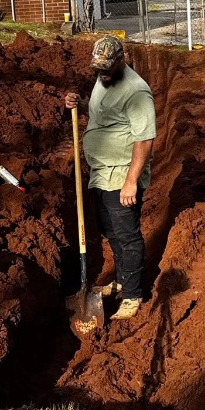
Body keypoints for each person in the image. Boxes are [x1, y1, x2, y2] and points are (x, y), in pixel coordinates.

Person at [64, 35, 155, 321]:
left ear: (121, 60)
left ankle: (133, 294)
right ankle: (122, 280)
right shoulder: (103, 79)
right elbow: (103, 113)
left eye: (106, 68)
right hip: (101, 174)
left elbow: (144, 139)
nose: (101, 72)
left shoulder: (136, 92)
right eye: (97, 68)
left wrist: (131, 181)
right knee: (111, 232)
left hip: (121, 175)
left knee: (127, 235)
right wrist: (79, 104)